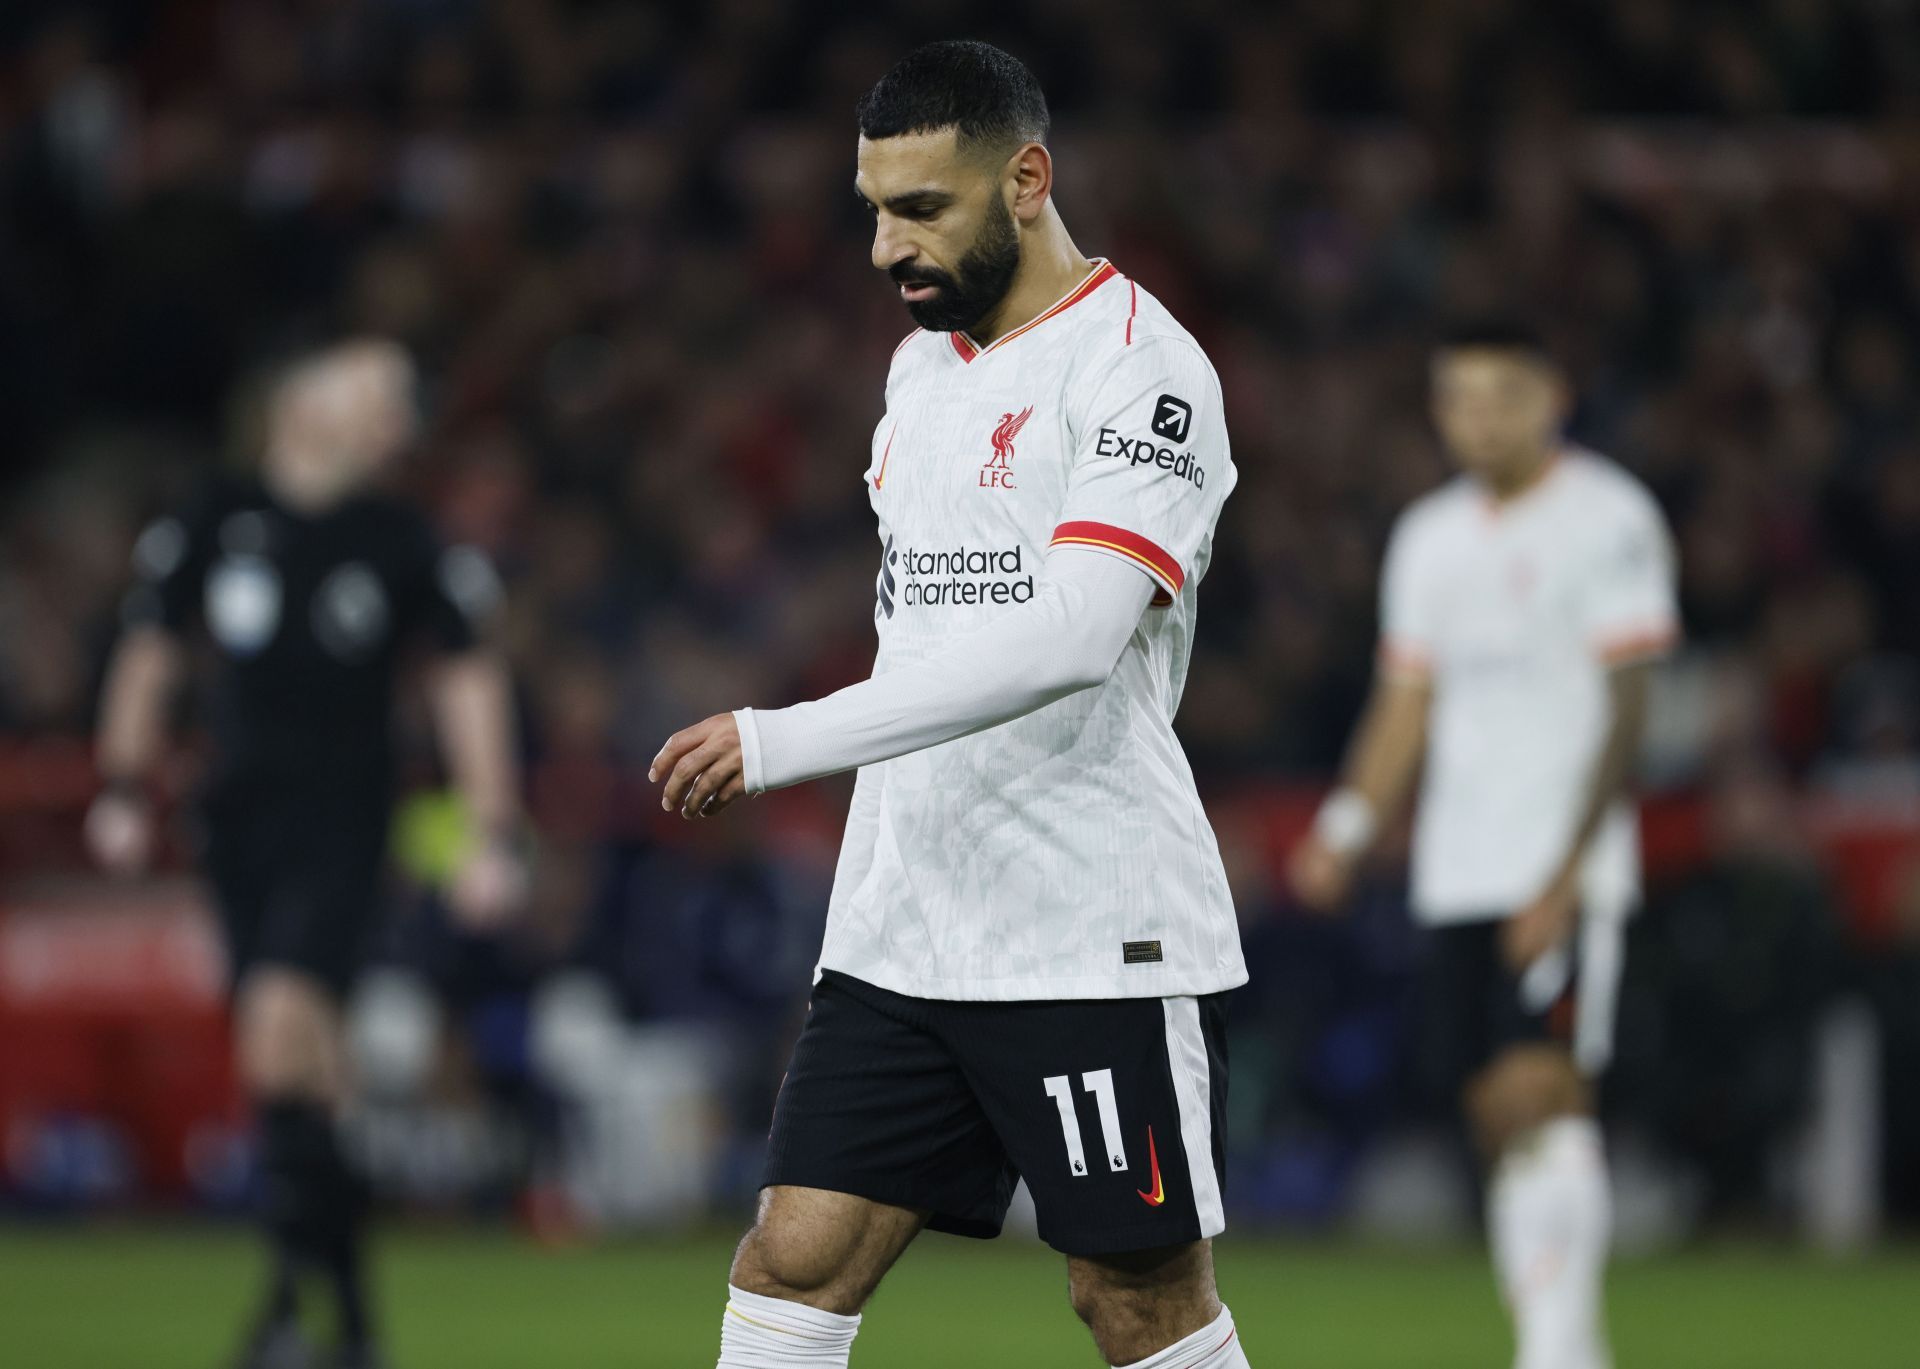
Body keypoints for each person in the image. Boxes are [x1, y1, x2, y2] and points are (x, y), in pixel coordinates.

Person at [649, 40, 1252, 1369]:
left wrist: (780, 740)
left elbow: (1070, 641)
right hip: (906, 920)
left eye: (921, 207)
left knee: (1135, 1300)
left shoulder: (1143, 373)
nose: (883, 246)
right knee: (793, 1257)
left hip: (1084, 925)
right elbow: (929, 630)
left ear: (1027, 179)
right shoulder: (921, 373)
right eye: (872, 206)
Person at [87, 338, 525, 1369]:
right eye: (366, 384)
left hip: (344, 820)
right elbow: (149, 646)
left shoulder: (400, 538)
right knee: (306, 1073)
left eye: (395, 397)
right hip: (237, 821)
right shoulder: (214, 514)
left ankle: (285, 1312)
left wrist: (489, 828)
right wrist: (120, 779)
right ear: (298, 394)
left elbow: (469, 681)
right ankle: (351, 1316)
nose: (389, 407)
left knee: (278, 1029)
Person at [1289, 321, 1680, 1369]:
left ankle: (1554, 1350)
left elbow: (1628, 710)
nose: (1481, 417)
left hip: (1560, 863)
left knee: (1541, 1090)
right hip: (1457, 867)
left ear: (1552, 394)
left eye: (1502, 393)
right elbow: (1404, 703)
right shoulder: (1429, 537)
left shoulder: (1609, 518)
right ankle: (1565, 1344)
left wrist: (1566, 871)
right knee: (1493, 1113)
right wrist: (1348, 824)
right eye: (1459, 397)